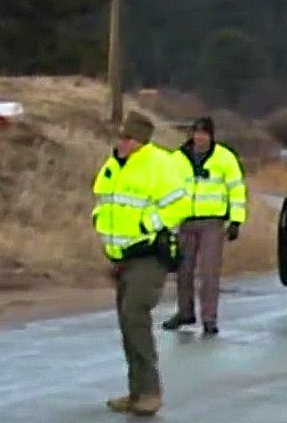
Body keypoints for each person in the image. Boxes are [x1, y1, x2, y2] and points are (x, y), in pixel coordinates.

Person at [92, 111, 188, 417]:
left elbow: (180, 204)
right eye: (121, 136)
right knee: (126, 322)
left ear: (140, 140)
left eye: (128, 137)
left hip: (147, 255)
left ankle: (150, 392)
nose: (122, 142)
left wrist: (149, 224)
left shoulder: (159, 164)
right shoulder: (114, 165)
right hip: (122, 257)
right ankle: (135, 392)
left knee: (135, 315)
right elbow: (105, 203)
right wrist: (99, 222)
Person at [161, 116, 247, 336]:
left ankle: (209, 318)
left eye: (204, 133)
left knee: (209, 272)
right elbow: (166, 190)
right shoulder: (177, 159)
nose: (200, 137)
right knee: (183, 269)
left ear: (211, 135)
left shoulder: (224, 158)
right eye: (196, 133)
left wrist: (236, 220)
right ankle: (185, 312)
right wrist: (165, 221)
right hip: (185, 221)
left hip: (212, 222)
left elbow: (236, 190)